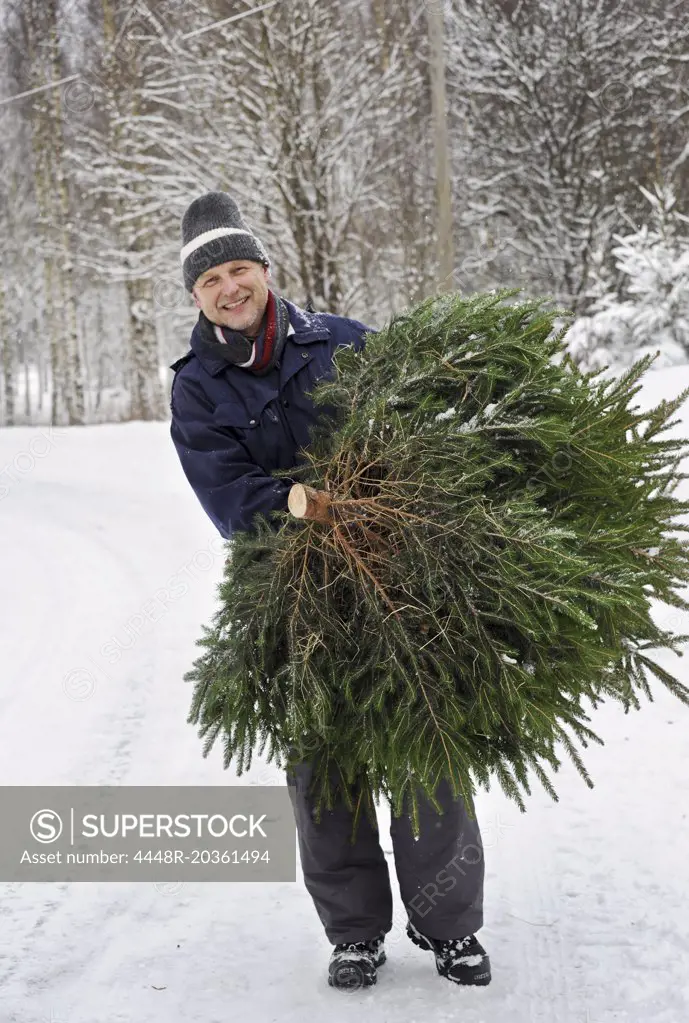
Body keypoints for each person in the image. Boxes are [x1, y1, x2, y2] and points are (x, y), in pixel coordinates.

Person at [169, 191, 491, 991]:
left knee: (423, 743)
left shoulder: (342, 343)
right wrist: (294, 504)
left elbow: (418, 421)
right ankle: (353, 931)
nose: (228, 287)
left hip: (394, 578)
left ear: (265, 271)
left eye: (238, 268)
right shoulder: (196, 388)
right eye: (210, 279)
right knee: (323, 763)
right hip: (288, 588)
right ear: (196, 295)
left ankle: (447, 924)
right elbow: (224, 493)